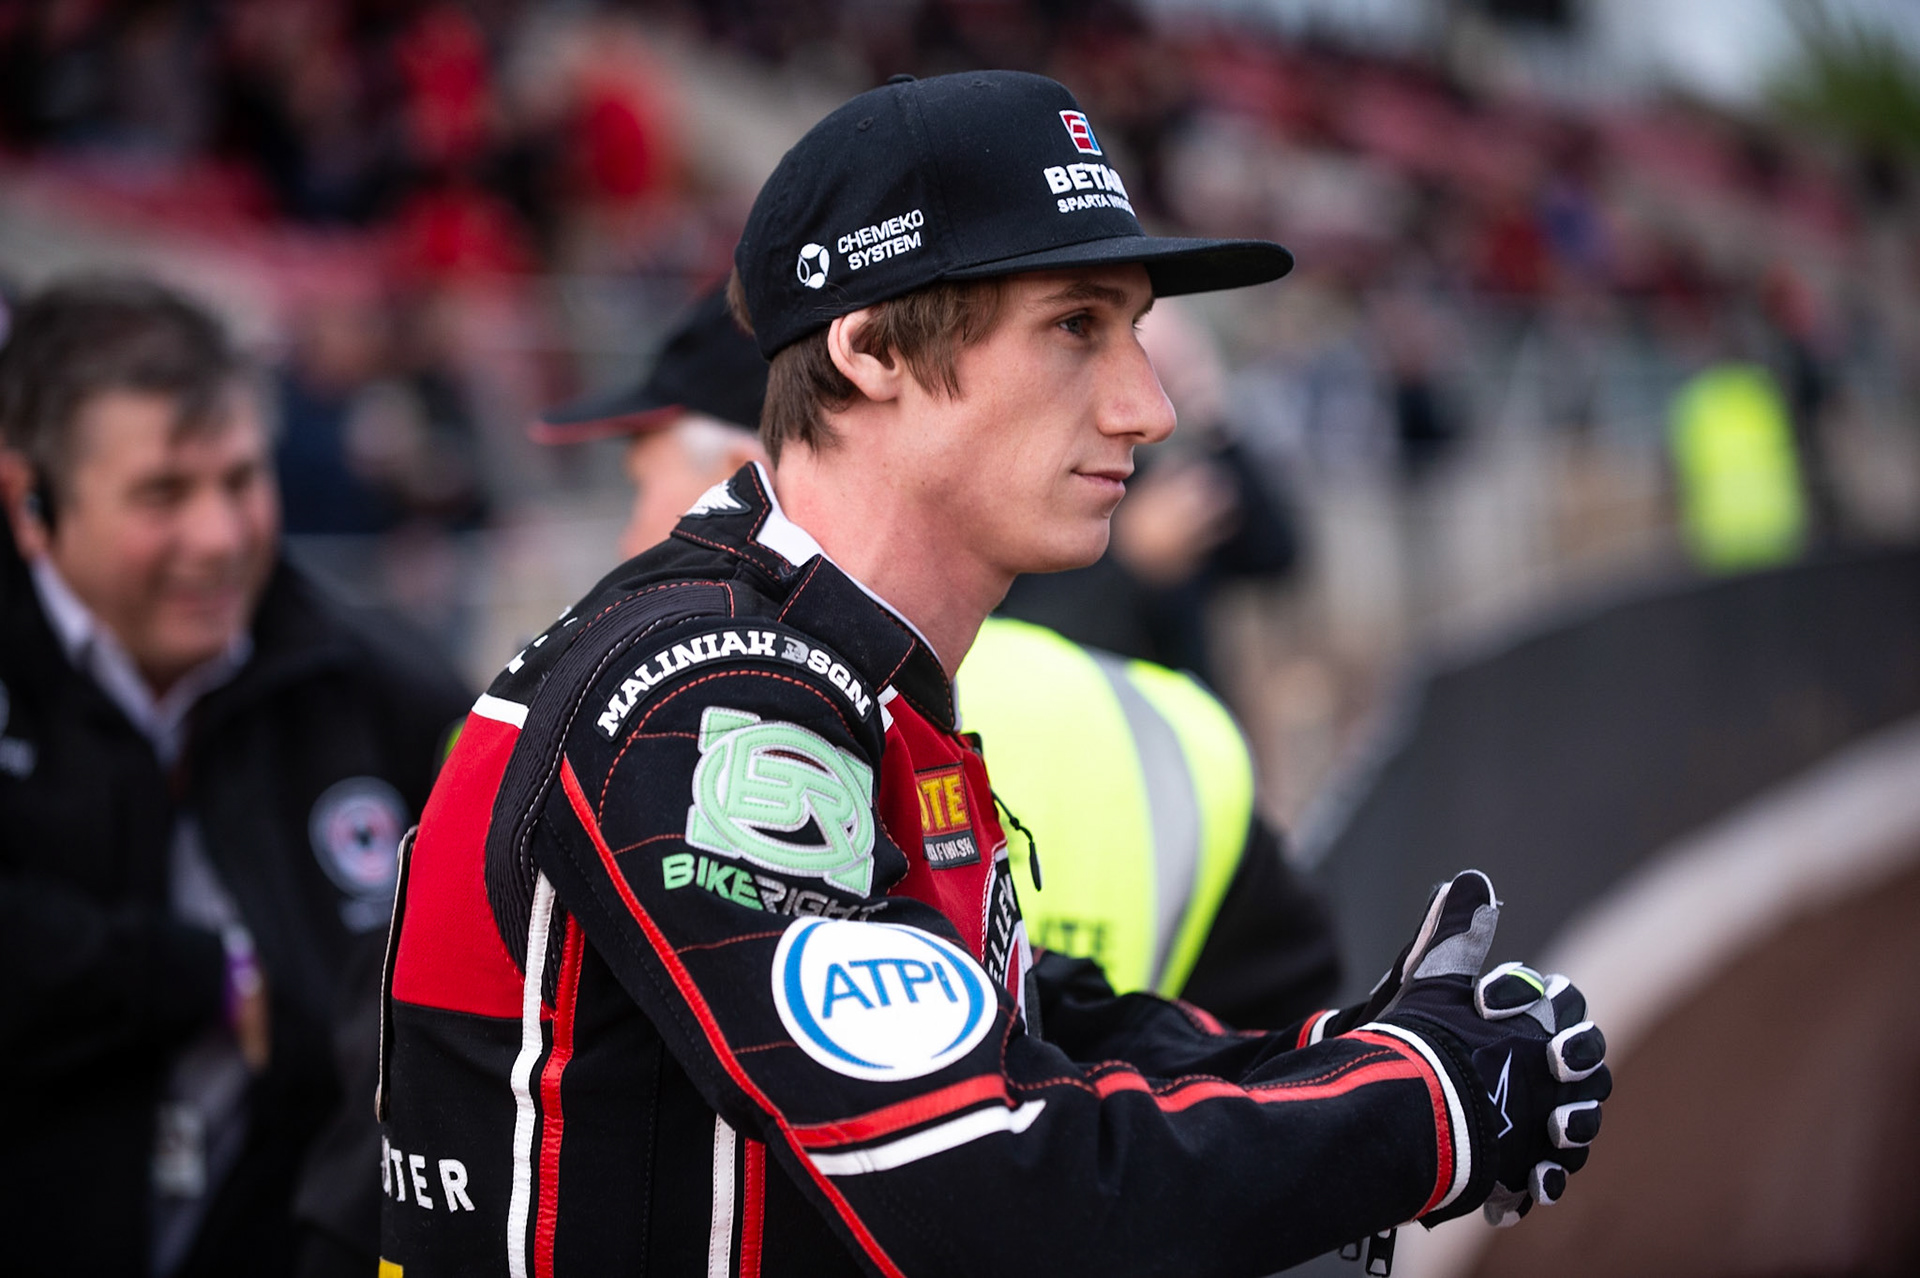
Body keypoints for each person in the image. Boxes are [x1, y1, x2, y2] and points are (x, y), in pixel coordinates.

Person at [381, 72, 1609, 1276]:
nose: (1149, 408)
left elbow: (1012, 1031)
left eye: (1133, 332)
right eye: (1076, 326)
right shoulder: (709, 690)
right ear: (869, 351)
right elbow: (992, 1190)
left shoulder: (831, 665)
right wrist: (1423, 1108)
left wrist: (1333, 1053)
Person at [531, 285, 1338, 1026]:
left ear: (743, 470)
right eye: (1079, 330)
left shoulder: (655, 710)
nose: (1140, 413)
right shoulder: (1171, 730)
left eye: (645, 483)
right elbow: (1297, 1066)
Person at [0, 277, 470, 1277]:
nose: (218, 537)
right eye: (164, 493)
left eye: (242, 480)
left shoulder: (385, 691)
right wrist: (192, 976)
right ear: (29, 504)